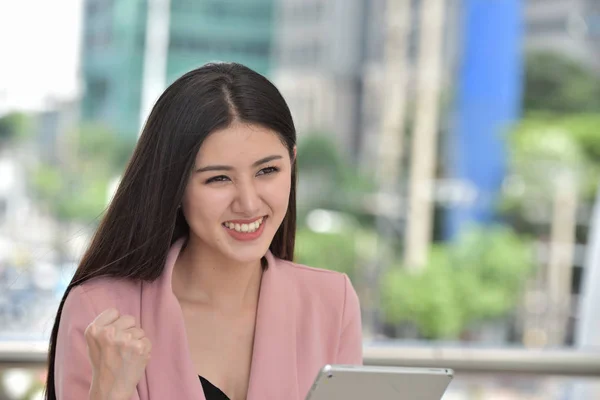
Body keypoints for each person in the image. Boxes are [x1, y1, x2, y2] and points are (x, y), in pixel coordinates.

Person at [44, 62, 363, 400]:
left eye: (267, 170)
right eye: (218, 178)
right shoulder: (100, 313)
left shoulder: (332, 303)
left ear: (292, 164)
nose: (249, 203)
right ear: (176, 186)